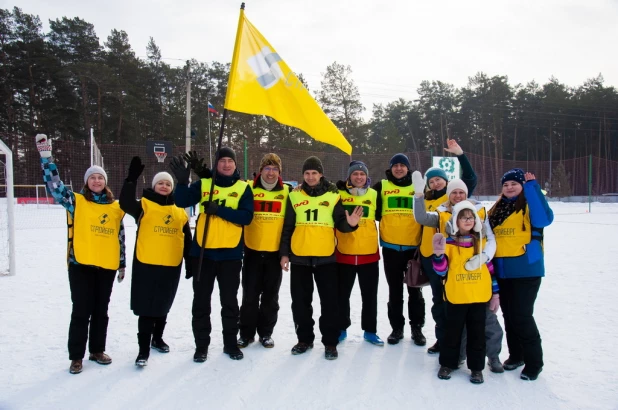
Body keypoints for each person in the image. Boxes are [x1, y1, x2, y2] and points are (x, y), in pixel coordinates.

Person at [36, 134, 126, 375]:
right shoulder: (75, 201)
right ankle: (76, 356)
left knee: (101, 310)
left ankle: (97, 350)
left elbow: (120, 237)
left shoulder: (115, 207)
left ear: (105, 182)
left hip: (106, 266)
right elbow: (54, 189)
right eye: (92, 178)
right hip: (81, 264)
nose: (96, 181)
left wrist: (122, 264)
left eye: (100, 177)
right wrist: (47, 159)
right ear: (87, 182)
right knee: (81, 310)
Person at [413, 174, 504, 373]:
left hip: (477, 285)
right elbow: (421, 219)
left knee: (483, 324)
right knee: (452, 322)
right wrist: (418, 196)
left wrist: (485, 258)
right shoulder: (442, 216)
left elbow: (490, 241)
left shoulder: (479, 214)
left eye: (461, 191)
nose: (458, 195)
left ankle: (491, 357)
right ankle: (453, 358)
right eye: (454, 192)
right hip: (454, 282)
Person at [171, 147, 253, 362]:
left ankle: (230, 344)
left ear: (235, 164)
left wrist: (219, 211)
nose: (226, 164)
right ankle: (201, 346)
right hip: (203, 255)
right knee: (201, 303)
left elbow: (246, 217)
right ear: (216, 164)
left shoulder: (243, 188)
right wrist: (181, 183)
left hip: (230, 256)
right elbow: (181, 202)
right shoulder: (205, 184)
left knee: (229, 303)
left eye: (230, 161)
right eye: (222, 160)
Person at [279, 156, 362, 360]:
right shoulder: (294, 196)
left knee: (329, 303)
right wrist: (284, 254)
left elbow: (341, 222)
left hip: (326, 258)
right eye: (307, 173)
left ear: (321, 174)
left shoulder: (333, 196)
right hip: (300, 257)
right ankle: (304, 339)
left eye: (314, 173)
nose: (310, 177)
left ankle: (330, 342)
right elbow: (287, 227)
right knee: (300, 302)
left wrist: (351, 223)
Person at [119, 157, 192, 367]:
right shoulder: (144, 206)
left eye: (168, 184)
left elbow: (187, 240)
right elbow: (124, 203)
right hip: (146, 264)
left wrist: (191, 263)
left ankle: (157, 338)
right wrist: (131, 180)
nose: (164, 186)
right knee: (146, 308)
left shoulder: (179, 211)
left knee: (162, 305)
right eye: (160, 183)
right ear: (153, 185)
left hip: (170, 265)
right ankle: (143, 350)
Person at [411, 139, 477, 355]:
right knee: (438, 299)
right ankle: (443, 339)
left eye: (439, 180)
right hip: (432, 256)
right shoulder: (427, 200)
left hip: (458, 256)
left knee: (456, 299)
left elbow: (469, 180)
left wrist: (460, 155)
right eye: (432, 181)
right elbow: (420, 218)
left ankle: (460, 341)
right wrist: (419, 195)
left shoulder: (453, 199)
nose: (436, 184)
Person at [488, 169, 553, 381]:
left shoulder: (530, 204)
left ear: (522, 185)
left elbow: (544, 219)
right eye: (505, 184)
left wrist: (532, 188)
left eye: (514, 184)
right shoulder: (497, 209)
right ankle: (517, 355)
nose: (509, 187)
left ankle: (535, 363)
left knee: (522, 316)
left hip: (526, 270)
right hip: (503, 270)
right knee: (508, 315)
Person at [432, 201, 500, 384]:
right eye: (463, 218)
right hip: (456, 296)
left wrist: (495, 293)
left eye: (471, 217)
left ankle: (476, 368)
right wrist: (438, 256)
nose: (468, 221)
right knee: (452, 333)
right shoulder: (448, 244)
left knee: (477, 334)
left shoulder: (481, 244)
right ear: (456, 221)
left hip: (478, 297)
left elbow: (490, 270)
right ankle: (448, 364)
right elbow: (441, 271)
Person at [372, 153, 426, 345]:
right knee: (395, 291)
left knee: (414, 291)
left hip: (414, 249)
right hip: (391, 248)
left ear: (408, 168)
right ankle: (397, 328)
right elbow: (362, 196)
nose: (399, 168)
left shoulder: (418, 186)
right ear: (391, 168)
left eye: (403, 165)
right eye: (395, 165)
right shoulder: (382, 186)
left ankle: (417, 328)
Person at [237, 153, 289, 349]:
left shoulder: (287, 192)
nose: (271, 172)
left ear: (279, 171)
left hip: (274, 254)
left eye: (275, 169)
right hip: (252, 252)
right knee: (249, 296)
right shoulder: (248, 188)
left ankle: (266, 333)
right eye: (267, 168)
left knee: (270, 297)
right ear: (261, 170)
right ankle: (246, 333)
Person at [335, 160, 383, 346]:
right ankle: (341, 328)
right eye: (355, 174)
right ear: (349, 176)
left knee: (370, 295)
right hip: (344, 252)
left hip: (368, 253)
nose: (359, 177)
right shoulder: (338, 194)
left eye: (362, 174)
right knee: (342, 295)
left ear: (367, 177)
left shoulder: (374, 194)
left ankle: (370, 331)